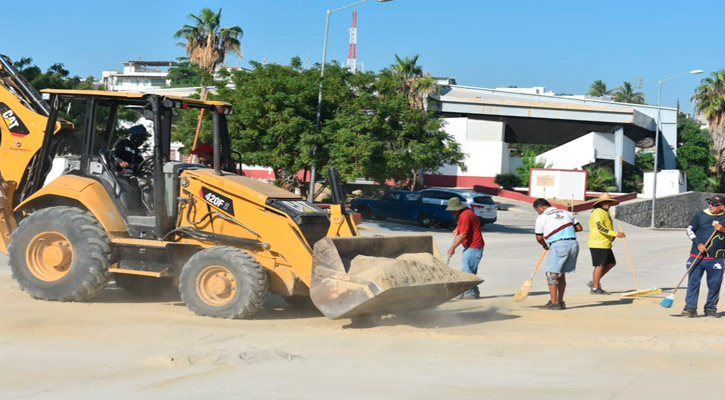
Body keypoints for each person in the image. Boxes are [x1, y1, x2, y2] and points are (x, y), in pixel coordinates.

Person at [533, 198, 583, 310]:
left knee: (552, 275)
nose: (538, 212)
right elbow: (579, 228)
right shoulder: (567, 213)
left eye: (538, 210)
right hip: (573, 244)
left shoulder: (542, 217)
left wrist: (544, 245)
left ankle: (554, 303)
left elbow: (539, 237)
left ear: (541, 207)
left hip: (559, 245)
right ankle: (560, 301)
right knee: (562, 274)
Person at [681, 195, 725, 318]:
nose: (710, 206)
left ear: (722, 206)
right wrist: (698, 243)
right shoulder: (700, 215)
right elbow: (689, 230)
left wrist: (723, 229)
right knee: (693, 283)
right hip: (697, 256)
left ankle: (710, 308)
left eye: (714, 204)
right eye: (710, 203)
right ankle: (690, 308)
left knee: (714, 285)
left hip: (716, 258)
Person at [587, 193, 625, 295]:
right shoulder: (598, 212)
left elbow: (606, 226)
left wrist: (612, 237)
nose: (607, 204)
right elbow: (600, 227)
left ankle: (594, 281)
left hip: (605, 243)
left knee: (611, 263)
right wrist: (615, 234)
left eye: (609, 202)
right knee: (600, 265)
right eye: (605, 202)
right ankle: (595, 288)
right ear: (600, 203)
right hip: (598, 243)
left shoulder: (605, 212)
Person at [446, 197, 484, 299]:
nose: (452, 212)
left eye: (453, 210)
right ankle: (474, 293)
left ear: (458, 208)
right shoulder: (466, 212)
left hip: (473, 246)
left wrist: (453, 247)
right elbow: (464, 226)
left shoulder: (465, 216)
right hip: (473, 245)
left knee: (467, 271)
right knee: (470, 270)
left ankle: (469, 294)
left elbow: (463, 235)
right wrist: (457, 228)